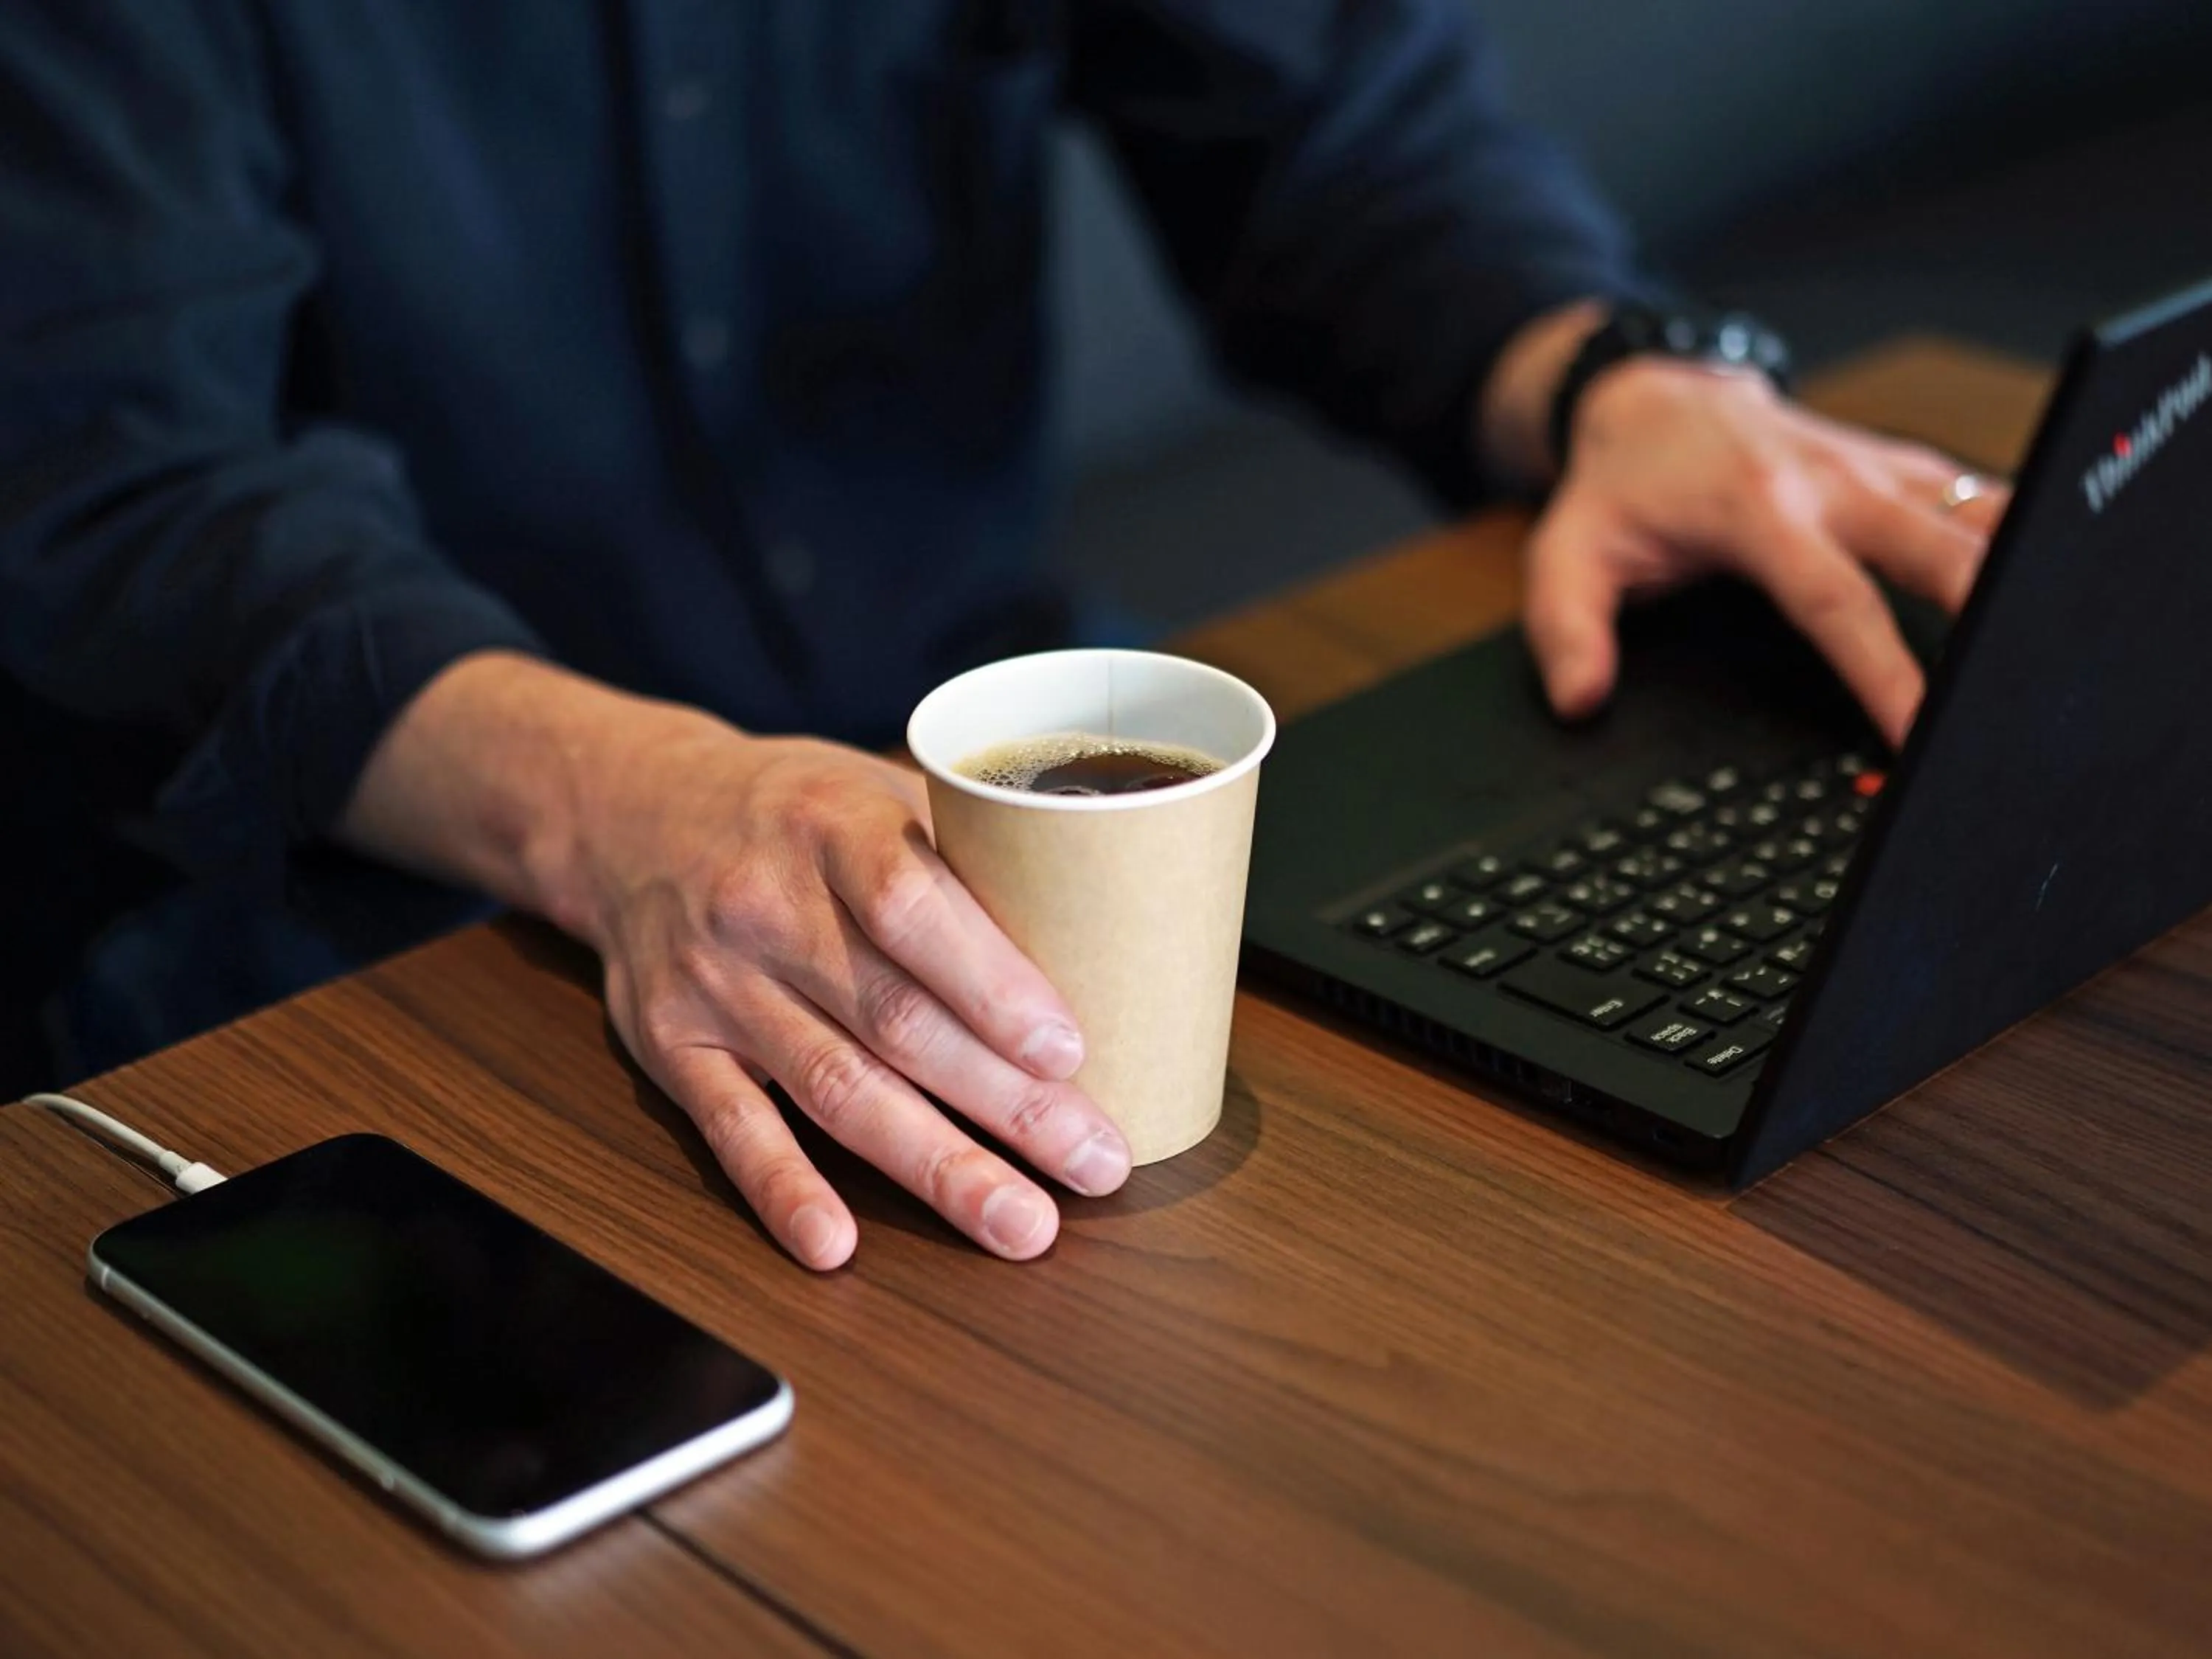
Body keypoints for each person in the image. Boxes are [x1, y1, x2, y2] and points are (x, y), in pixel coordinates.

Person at [0, 1, 2005, 1270]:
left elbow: (1338, 131)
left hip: (1015, 807)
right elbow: (118, 471)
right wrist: (616, 805)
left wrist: (1613, 380)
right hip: (377, 914)